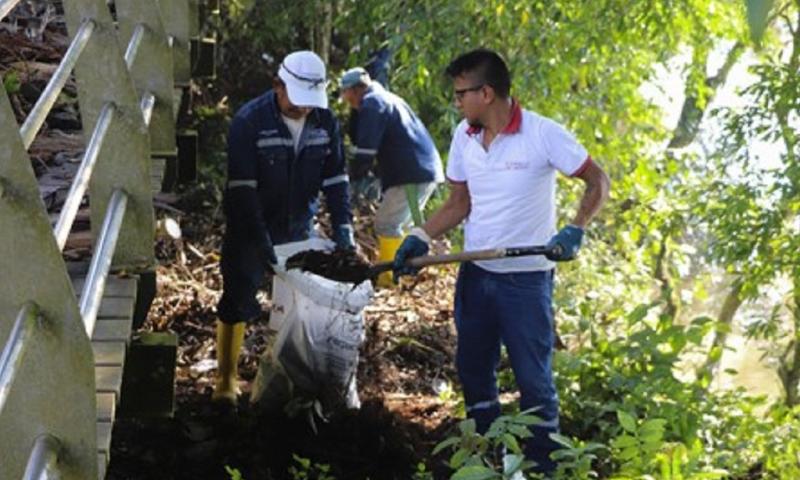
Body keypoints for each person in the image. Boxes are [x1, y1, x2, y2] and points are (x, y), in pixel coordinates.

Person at [393, 49, 610, 474]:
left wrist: (576, 228)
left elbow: (597, 180)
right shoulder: (464, 136)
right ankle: (485, 455)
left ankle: (543, 465)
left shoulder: (542, 134)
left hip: (525, 282)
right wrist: (420, 236)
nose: (456, 102)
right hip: (477, 274)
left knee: (533, 380)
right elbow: (459, 203)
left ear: (487, 93)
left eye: (461, 94)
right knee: (473, 369)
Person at [213, 50, 355, 405]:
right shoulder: (249, 121)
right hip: (250, 226)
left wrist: (343, 227)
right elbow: (243, 189)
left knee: (296, 305)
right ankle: (226, 381)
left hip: (298, 225)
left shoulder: (325, 122)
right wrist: (261, 242)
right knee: (238, 297)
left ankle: (286, 377)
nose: (304, 108)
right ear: (278, 85)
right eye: (297, 100)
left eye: (310, 101)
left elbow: (336, 179)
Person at [339, 66, 444, 286]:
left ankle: (388, 279)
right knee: (404, 226)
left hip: (411, 172)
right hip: (421, 169)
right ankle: (407, 275)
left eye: (346, 94)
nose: (347, 101)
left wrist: (351, 177)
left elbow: (366, 151)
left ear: (355, 90)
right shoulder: (387, 98)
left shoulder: (372, 103)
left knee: (387, 224)